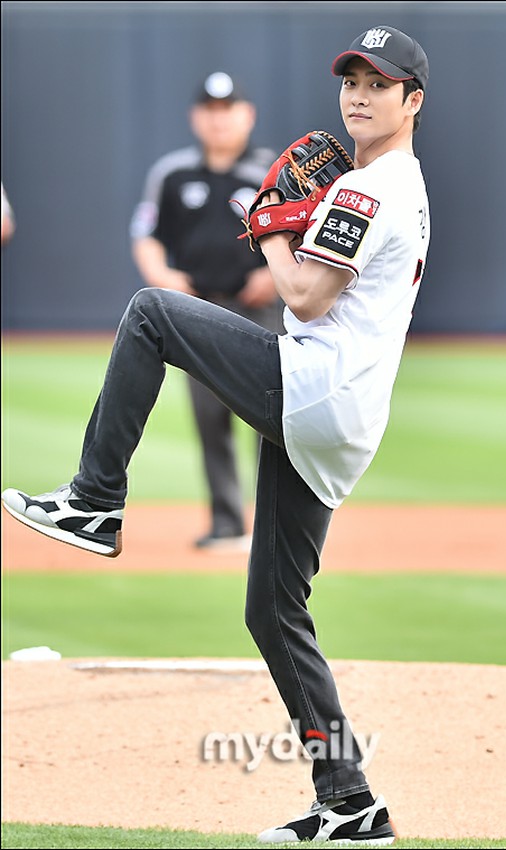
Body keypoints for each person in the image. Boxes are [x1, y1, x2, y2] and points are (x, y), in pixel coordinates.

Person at [2, 24, 430, 844]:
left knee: (152, 311)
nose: (359, 96)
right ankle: (349, 799)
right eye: (351, 80)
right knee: (274, 611)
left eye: (379, 85)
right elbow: (328, 295)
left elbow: (303, 299)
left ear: (413, 100)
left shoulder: (372, 188)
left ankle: (94, 500)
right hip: (344, 416)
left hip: (314, 387)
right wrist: (289, 222)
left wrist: (267, 221)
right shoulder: (394, 184)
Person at [130, 71, 284, 550]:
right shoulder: (173, 173)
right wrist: (161, 277)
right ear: (197, 117)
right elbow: (147, 233)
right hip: (199, 309)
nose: (219, 121)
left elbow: (302, 236)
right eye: (210, 111)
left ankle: (278, 528)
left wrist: (276, 276)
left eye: (229, 110)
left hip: (259, 309)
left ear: (247, 115)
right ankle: (226, 522)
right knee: (208, 415)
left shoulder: (270, 172)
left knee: (274, 418)